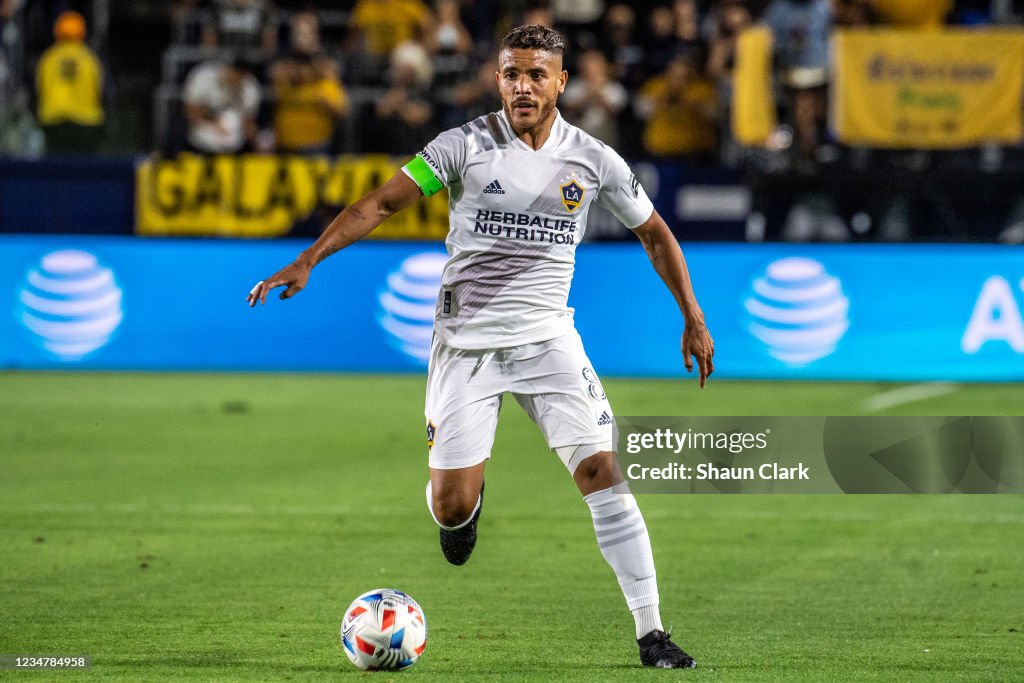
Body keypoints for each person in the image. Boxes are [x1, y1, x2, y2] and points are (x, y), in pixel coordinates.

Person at [247, 24, 714, 669]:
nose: (522, 86)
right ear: (498, 79)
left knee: (603, 472)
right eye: (511, 74)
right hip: (466, 348)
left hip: (550, 342)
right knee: (451, 505)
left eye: (536, 74)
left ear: (560, 82)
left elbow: (656, 234)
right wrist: (308, 259)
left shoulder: (595, 159)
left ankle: (652, 632)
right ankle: (464, 510)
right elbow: (382, 203)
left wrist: (691, 314)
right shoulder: (461, 147)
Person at [34, 10, 105, 155]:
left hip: (53, 122)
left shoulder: (48, 58)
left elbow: (37, 89)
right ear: (82, 32)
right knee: (84, 172)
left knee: (56, 171)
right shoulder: (89, 58)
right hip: (85, 123)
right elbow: (102, 90)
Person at [182, 55, 261, 154]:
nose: (238, 81)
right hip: (203, 132)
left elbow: (249, 123)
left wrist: (256, 143)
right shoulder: (203, 76)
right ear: (228, 69)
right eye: (236, 75)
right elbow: (191, 112)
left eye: (242, 77)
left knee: (231, 119)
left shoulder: (249, 87)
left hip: (233, 141)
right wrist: (215, 125)